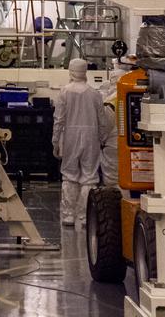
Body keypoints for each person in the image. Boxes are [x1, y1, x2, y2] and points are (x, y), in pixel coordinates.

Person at [52, 57, 112, 229]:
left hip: (70, 136)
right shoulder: (95, 94)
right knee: (89, 177)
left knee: (69, 175)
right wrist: (102, 138)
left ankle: (68, 215)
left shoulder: (65, 92)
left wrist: (55, 141)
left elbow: (59, 120)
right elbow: (102, 121)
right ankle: (85, 215)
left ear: (71, 71)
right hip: (91, 137)